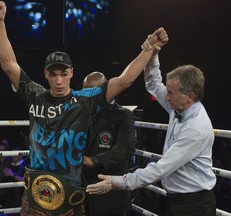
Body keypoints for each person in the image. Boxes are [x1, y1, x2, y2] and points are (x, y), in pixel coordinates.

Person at [0, 1, 168, 215]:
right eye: (53, 74)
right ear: (46, 74)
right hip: (35, 195)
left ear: (71, 73)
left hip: (70, 196)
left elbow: (124, 81)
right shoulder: (35, 94)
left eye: (63, 74)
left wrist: (149, 49)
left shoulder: (85, 99)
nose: (58, 80)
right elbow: (9, 65)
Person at [86, 40, 217, 216]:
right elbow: (154, 84)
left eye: (170, 93)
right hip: (176, 199)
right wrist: (153, 53)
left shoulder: (195, 129)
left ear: (189, 96)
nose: (166, 98)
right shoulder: (180, 105)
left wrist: (115, 182)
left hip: (194, 205)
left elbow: (160, 169)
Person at [82, 72, 136, 216]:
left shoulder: (123, 114)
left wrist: (94, 160)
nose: (89, 96)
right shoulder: (82, 113)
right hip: (83, 192)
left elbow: (126, 149)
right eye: (86, 92)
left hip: (110, 193)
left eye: (94, 92)